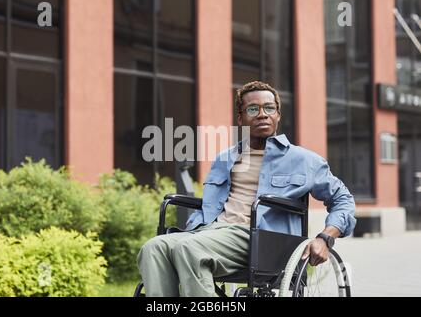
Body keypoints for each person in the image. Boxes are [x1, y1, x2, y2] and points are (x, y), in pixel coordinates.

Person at [137, 81, 356, 297]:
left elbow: (343, 199)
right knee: (153, 248)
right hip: (210, 231)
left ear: (278, 115)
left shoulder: (303, 160)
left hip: (261, 238)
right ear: (240, 118)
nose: (262, 114)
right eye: (253, 109)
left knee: (189, 249)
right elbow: (212, 204)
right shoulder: (225, 158)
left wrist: (325, 238)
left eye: (269, 108)